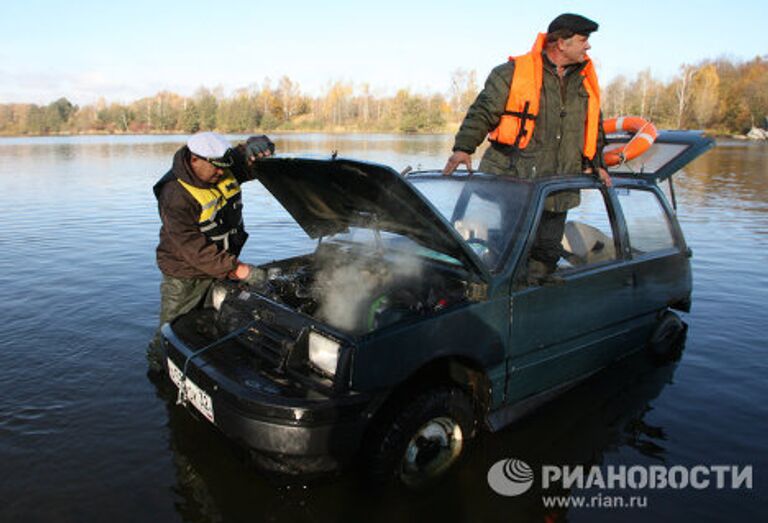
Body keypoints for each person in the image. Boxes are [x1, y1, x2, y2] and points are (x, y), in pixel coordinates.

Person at [443, 13, 612, 283]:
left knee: (547, 250)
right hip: (515, 179)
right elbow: (483, 111)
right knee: (510, 247)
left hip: (560, 183)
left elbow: (594, 127)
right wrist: (463, 148)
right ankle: (506, 296)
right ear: (561, 43)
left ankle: (536, 295)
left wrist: (598, 163)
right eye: (583, 40)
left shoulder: (584, 81)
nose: (588, 47)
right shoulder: (510, 74)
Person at [147, 131, 275, 371]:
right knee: (172, 329)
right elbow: (192, 248)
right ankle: (159, 367)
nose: (221, 173)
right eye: (215, 168)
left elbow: (247, 154)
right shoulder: (175, 193)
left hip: (220, 266)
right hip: (184, 275)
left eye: (223, 167)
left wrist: (262, 144)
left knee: (214, 323)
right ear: (195, 159)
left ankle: (206, 367)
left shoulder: (221, 164)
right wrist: (239, 270)